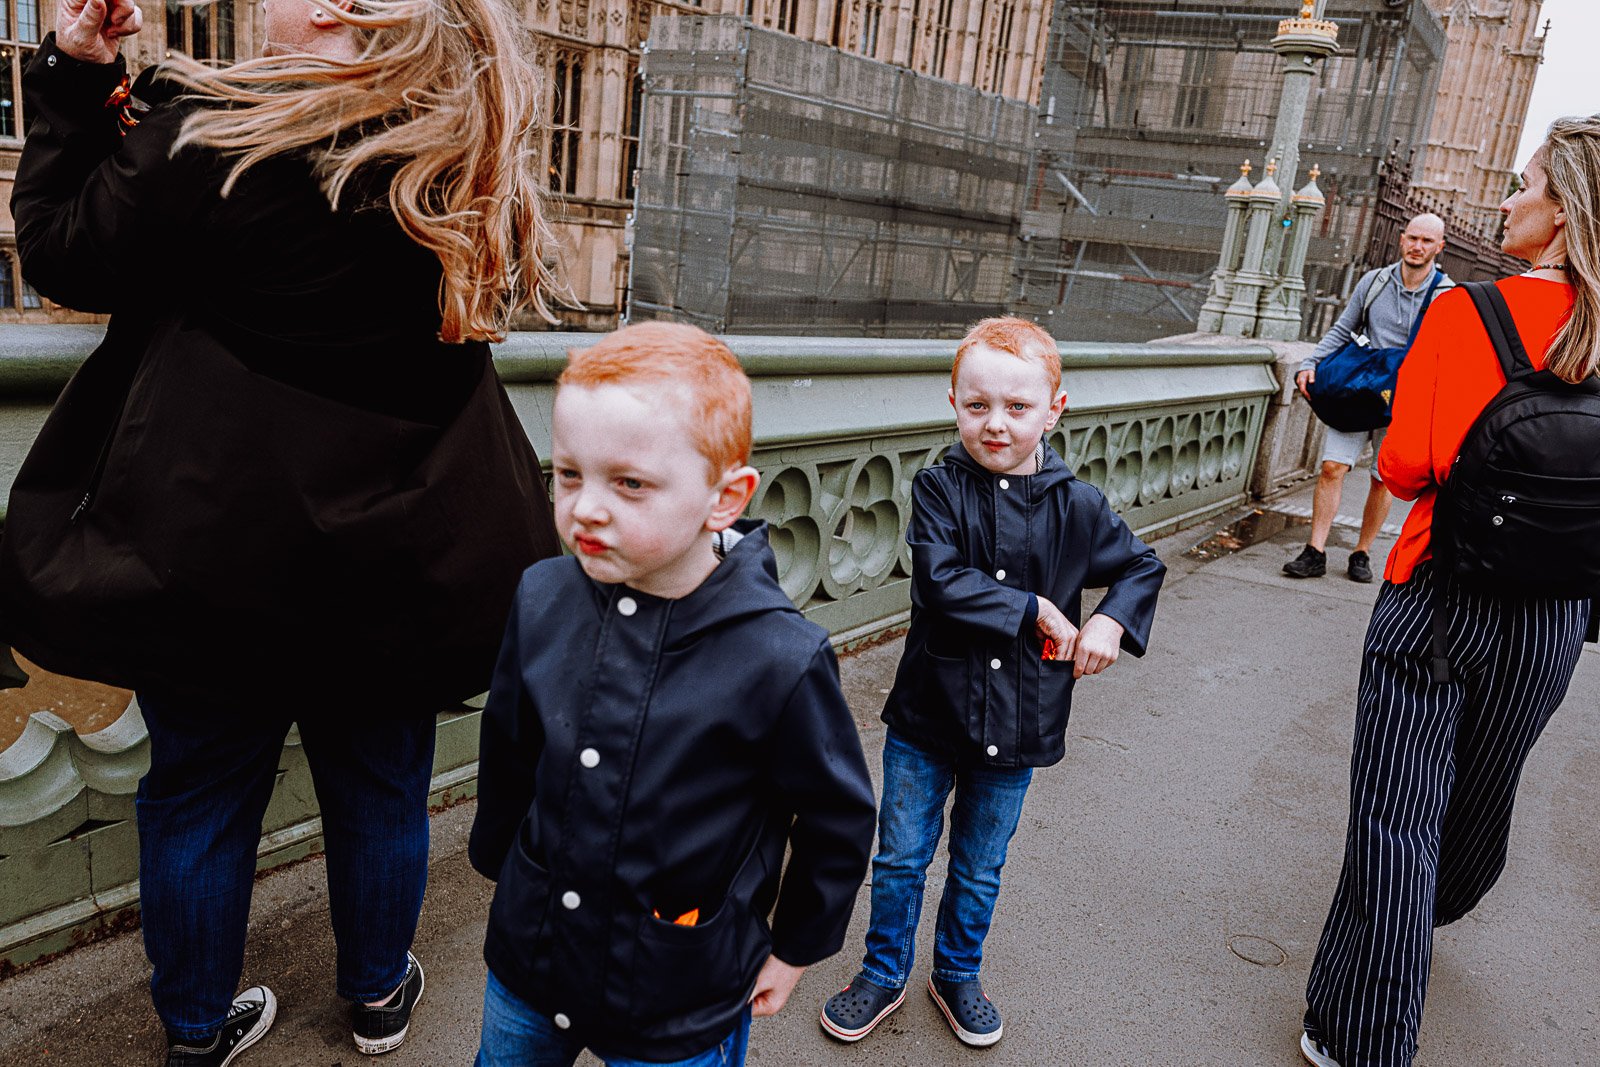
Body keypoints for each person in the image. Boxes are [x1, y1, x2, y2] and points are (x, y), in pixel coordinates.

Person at [3, 1, 561, 1063]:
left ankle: (199, 1028)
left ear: (334, 12)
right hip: (404, 550)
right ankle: (377, 996)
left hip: (216, 548)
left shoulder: (218, 140)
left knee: (202, 794)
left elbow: (62, 251)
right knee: (383, 784)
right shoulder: (469, 155)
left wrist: (76, 76)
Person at [467, 322, 877, 1067]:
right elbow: (511, 744)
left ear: (726, 498)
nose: (586, 506)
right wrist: (505, 863)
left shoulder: (780, 655)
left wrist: (794, 945)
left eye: (629, 483)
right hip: (533, 956)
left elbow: (835, 817)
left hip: (679, 980)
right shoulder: (542, 594)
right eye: (568, 474)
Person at [1299, 118, 1600, 1067]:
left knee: (1396, 817)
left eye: (1523, 185)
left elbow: (1406, 460)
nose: (1506, 201)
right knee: (1478, 799)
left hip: (1439, 595)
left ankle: (1365, 1038)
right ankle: (1412, 923)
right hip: (1555, 617)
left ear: (1562, 214)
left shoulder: (1465, 313)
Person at [819, 317, 1165, 1049]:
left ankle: (956, 974)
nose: (996, 424)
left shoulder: (1079, 504)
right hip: (927, 713)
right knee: (902, 854)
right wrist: (1035, 607)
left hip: (1020, 720)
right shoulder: (939, 487)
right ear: (953, 402)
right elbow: (940, 583)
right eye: (977, 406)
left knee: (979, 864)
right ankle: (882, 972)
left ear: (1055, 408)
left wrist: (1110, 623)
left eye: (1017, 407)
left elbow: (1141, 566)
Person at [1286, 214, 1452, 583]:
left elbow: (1446, 355)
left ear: (1439, 247)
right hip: (1361, 390)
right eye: (1413, 238)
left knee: (1382, 479)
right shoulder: (1375, 282)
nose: (1418, 246)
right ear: (1401, 238)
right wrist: (1310, 361)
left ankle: (1362, 552)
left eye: (1427, 241)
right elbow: (1343, 328)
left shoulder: (1446, 295)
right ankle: (1315, 550)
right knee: (1332, 467)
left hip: (1405, 400)